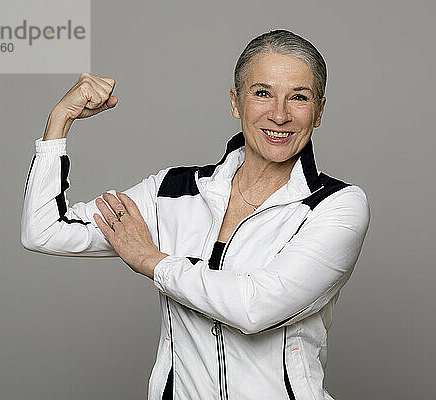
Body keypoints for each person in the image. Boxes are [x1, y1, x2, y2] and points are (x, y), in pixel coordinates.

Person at [21, 29, 370, 400]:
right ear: (236, 102)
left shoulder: (335, 205)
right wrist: (60, 119)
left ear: (318, 111)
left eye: (298, 97)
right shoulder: (172, 191)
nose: (279, 114)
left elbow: (254, 308)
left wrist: (151, 260)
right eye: (262, 93)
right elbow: (44, 230)